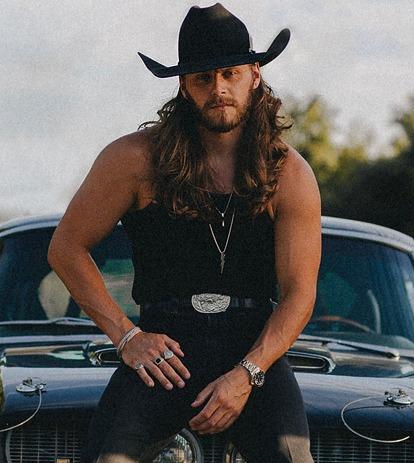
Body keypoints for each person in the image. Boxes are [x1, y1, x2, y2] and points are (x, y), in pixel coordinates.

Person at [48, 3, 321, 462]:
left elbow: (299, 294)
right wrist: (127, 337)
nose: (218, 89)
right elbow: (66, 248)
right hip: (163, 351)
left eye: (230, 74)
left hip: (253, 350)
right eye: (202, 79)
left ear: (254, 75)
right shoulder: (134, 159)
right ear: (183, 86)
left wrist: (247, 373)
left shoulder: (288, 173)